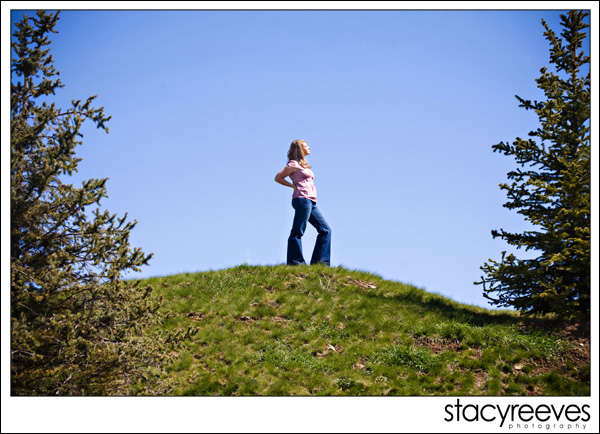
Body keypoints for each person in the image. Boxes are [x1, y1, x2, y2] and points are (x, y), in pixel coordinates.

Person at [275, 140, 331, 266]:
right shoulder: (293, 163)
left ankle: (320, 263)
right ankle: (295, 262)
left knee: (325, 230)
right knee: (298, 231)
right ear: (300, 148)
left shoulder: (303, 165)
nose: (309, 147)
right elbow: (278, 177)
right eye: (306, 146)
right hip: (302, 199)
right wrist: (293, 186)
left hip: (311, 201)